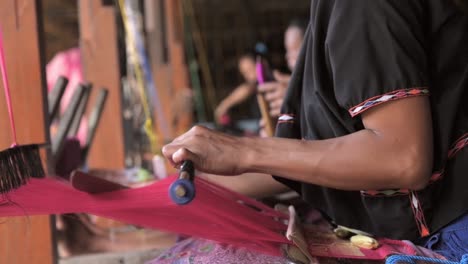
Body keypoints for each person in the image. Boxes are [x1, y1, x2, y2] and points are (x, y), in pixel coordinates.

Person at [163, 0, 468, 261]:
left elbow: (402, 158)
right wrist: (180, 184)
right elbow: (306, 163)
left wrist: (243, 150)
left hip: (453, 233)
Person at [214, 53, 259, 124]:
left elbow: (248, 88)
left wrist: (224, 105)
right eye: (245, 73)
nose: (249, 75)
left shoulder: (269, 79)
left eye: (251, 69)